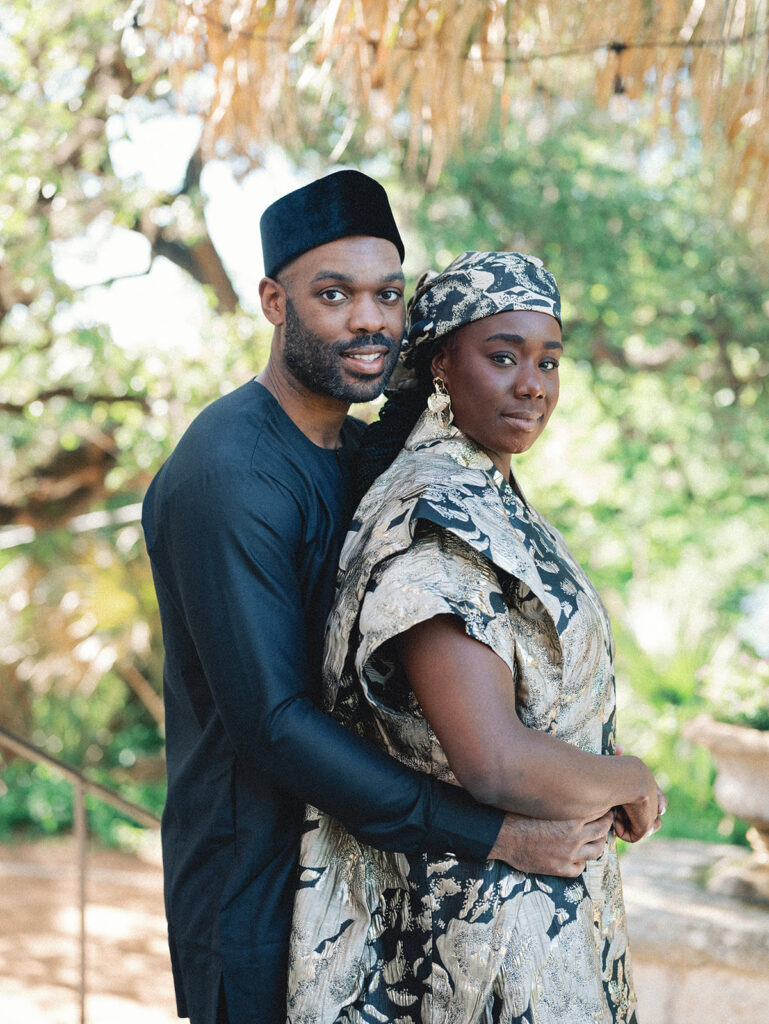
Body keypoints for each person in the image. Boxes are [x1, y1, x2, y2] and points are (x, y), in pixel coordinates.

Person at [142, 178, 615, 1024]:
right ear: (272, 302)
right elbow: (274, 722)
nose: (369, 319)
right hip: (255, 886)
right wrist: (499, 835)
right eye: (334, 295)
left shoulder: (359, 457)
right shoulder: (230, 474)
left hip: (363, 875)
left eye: (387, 296)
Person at [286, 251, 665, 1023]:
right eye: (502, 356)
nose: (532, 384)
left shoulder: (484, 495)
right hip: (479, 937)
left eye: (547, 361)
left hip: (538, 912)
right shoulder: (437, 520)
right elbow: (493, 761)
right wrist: (630, 777)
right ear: (439, 367)